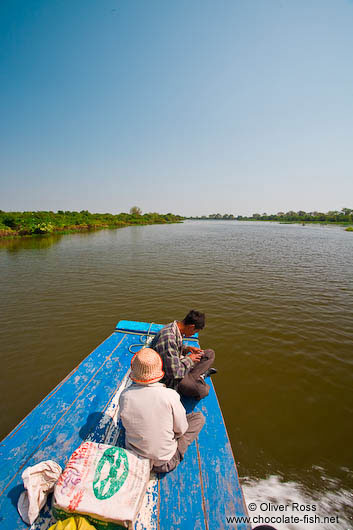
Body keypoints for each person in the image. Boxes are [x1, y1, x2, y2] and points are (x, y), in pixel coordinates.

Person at [119, 348, 205, 473]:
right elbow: (181, 430)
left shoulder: (125, 395)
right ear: (159, 371)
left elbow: (125, 423)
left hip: (135, 456)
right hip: (164, 463)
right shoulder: (170, 395)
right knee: (198, 418)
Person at [149, 309, 216, 400]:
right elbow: (174, 373)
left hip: (178, 364)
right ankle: (198, 378)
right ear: (191, 327)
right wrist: (189, 359)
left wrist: (187, 349)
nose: (193, 334)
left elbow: (175, 348)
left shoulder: (175, 327)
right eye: (194, 332)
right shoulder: (168, 338)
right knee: (203, 390)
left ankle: (195, 377)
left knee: (209, 354)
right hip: (170, 376)